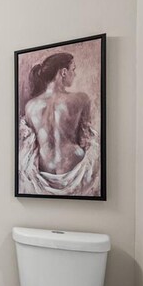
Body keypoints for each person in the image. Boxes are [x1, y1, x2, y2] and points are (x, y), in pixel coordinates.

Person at [19, 52, 100, 196]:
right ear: (63, 72)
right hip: (75, 170)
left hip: (42, 173)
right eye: (73, 69)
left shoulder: (31, 106)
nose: (74, 74)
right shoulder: (81, 99)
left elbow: (31, 144)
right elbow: (85, 138)